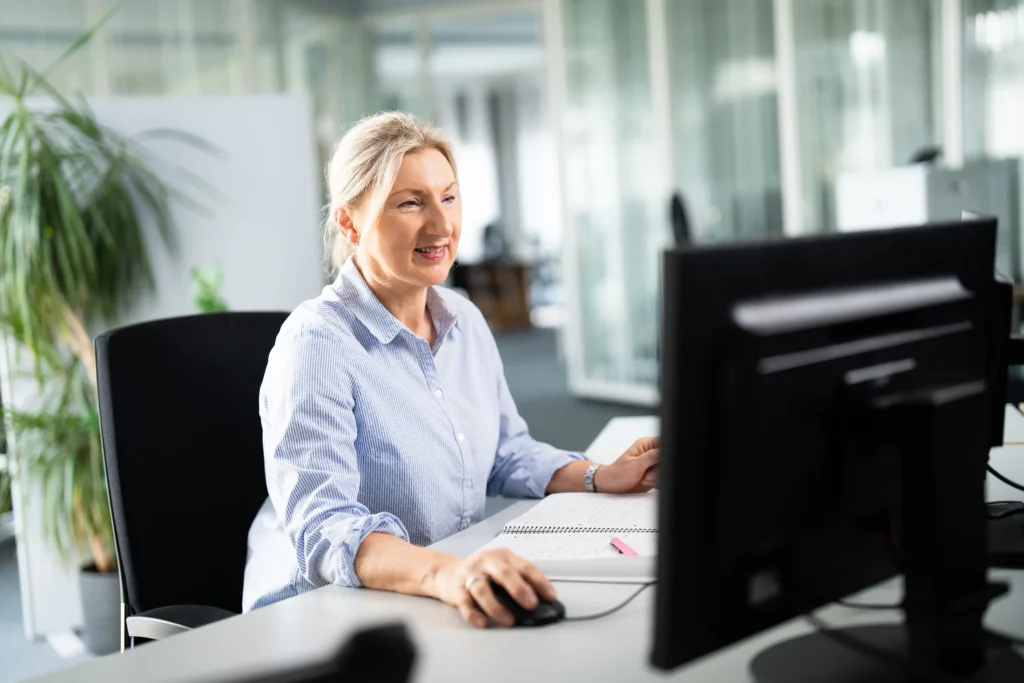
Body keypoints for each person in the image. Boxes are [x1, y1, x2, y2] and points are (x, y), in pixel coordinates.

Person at [242, 112, 660, 628]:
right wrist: (451, 575)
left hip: (431, 592)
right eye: (410, 203)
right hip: (323, 617)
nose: (442, 226)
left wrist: (601, 475)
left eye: (449, 197)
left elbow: (506, 453)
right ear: (349, 223)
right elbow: (326, 530)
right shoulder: (317, 344)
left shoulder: (462, 318)